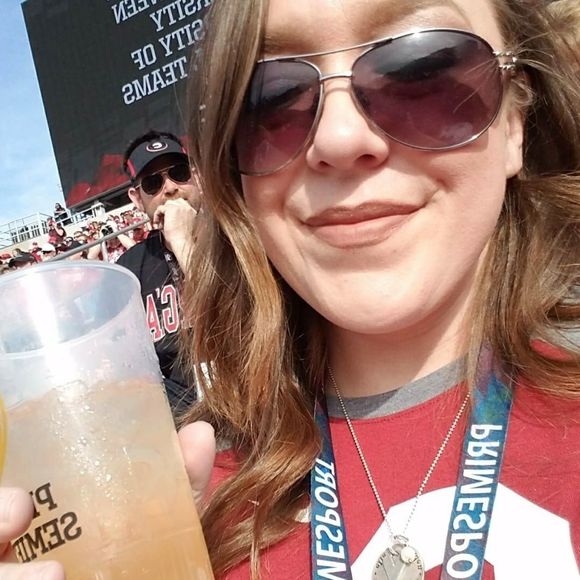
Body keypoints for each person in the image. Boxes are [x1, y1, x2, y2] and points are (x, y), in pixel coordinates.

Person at [2, 1, 580, 579]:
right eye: (270, 99)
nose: (340, 137)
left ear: (514, 122)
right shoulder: (184, 523)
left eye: (420, 67)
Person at [116, 130, 202, 413]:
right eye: (153, 183)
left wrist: (183, 241)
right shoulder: (128, 272)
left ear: (195, 176)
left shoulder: (237, 236)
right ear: (137, 198)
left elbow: (243, 323)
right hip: (180, 416)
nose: (170, 188)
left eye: (179, 173)